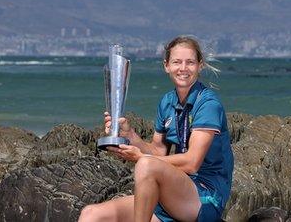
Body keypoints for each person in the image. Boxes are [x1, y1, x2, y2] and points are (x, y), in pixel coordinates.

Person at [78, 36, 234, 222]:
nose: (183, 68)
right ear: (166, 66)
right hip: (172, 192)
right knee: (91, 214)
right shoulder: (167, 102)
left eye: (190, 62)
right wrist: (130, 135)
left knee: (146, 165)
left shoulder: (208, 104)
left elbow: (192, 162)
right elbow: (158, 151)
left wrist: (140, 158)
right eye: (177, 62)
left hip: (204, 197)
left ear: (200, 66)